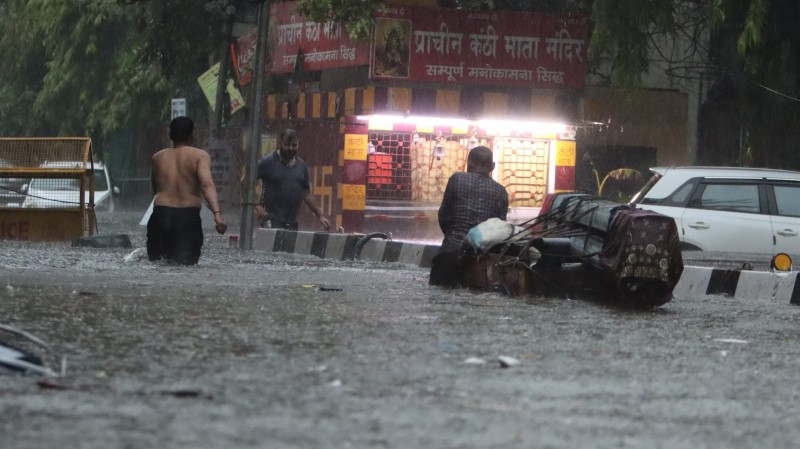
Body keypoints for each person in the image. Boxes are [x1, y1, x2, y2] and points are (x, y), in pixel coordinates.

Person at [147, 116, 227, 265]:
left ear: (170, 135)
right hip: (186, 216)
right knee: (186, 266)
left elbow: (155, 189)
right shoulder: (199, 156)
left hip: (160, 215)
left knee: (157, 264)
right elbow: (207, 184)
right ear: (192, 135)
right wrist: (217, 214)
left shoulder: (157, 157)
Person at [430, 145, 509, 286]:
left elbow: (443, 216)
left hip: (450, 253)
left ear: (469, 163)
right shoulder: (501, 192)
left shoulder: (457, 179)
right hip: (482, 263)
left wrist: (452, 235)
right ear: (492, 167)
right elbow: (499, 230)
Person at [255, 128, 331, 230]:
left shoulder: (301, 165)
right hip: (271, 222)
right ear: (280, 143)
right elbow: (245, 182)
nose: (291, 148)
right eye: (287, 144)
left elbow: (306, 193)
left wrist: (320, 215)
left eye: (294, 145)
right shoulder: (267, 162)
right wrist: (257, 206)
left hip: (292, 224)